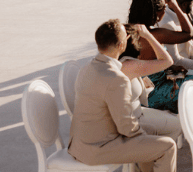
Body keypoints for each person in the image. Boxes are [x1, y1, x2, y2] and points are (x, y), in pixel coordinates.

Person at [68, 19, 177, 172]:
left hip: (80, 144)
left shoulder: (86, 68)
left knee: (150, 133)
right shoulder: (117, 79)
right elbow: (127, 127)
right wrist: (143, 138)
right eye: (126, 36)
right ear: (121, 45)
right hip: (98, 149)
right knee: (167, 146)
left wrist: (145, 137)